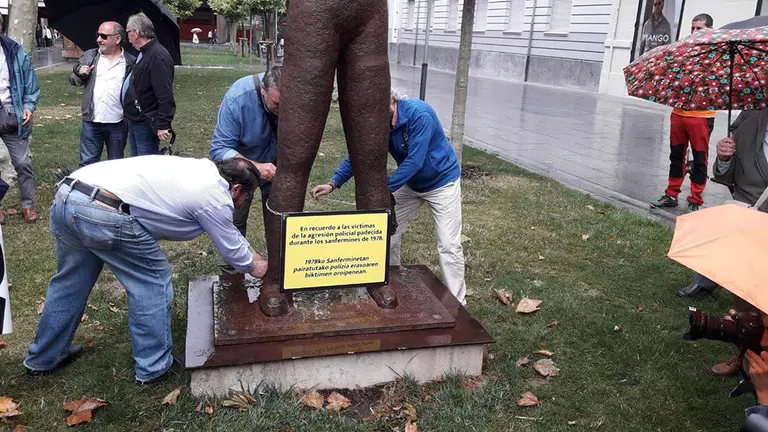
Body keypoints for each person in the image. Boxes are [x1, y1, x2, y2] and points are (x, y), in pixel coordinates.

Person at [23, 156, 268, 384]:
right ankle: (154, 368)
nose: (244, 202)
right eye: (248, 196)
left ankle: (43, 358)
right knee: (153, 282)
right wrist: (257, 267)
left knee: (70, 283)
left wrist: (253, 256)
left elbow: (228, 234)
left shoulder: (200, 170)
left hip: (70, 195)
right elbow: (233, 251)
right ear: (236, 189)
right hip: (106, 210)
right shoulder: (214, 196)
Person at [311, 90, 467, 305]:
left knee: (448, 245)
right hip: (411, 184)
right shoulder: (380, 122)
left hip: (442, 183)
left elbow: (415, 161)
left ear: (390, 103)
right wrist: (333, 183)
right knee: (386, 235)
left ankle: (458, 303)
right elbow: (359, 153)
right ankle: (392, 279)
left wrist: (383, 189)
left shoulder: (420, 114)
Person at [209, 67, 280, 249]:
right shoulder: (238, 97)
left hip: (278, 166)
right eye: (277, 104)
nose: (283, 111)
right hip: (242, 168)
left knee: (279, 222)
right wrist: (254, 167)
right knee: (233, 224)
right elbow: (219, 149)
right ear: (263, 90)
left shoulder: (295, 93)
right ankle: (233, 274)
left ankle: (277, 269)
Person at [651, 14, 714, 213]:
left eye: (700, 29)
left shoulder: (715, 54)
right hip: (678, 113)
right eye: (693, 28)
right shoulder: (682, 51)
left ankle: (695, 198)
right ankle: (671, 194)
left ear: (709, 30)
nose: (695, 32)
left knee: (699, 158)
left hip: (701, 116)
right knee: (676, 156)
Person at [70, 21, 136, 167]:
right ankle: (87, 190)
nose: (98, 39)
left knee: (115, 165)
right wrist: (81, 74)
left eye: (104, 36)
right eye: (98, 35)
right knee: (87, 164)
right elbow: (73, 81)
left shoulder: (130, 62)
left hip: (118, 123)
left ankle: (109, 190)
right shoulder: (90, 56)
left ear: (117, 39)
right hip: (91, 122)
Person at [0, 15, 40, 223]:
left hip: (11, 113)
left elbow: (30, 84)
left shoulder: (15, 51)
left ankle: (28, 206)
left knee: (23, 163)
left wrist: (28, 107)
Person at [122, 12, 175, 157]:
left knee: (146, 168)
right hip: (135, 120)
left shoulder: (157, 55)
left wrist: (163, 124)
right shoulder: (144, 53)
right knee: (136, 164)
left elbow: (165, 93)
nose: (127, 37)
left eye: (128, 32)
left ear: (136, 33)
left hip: (145, 122)